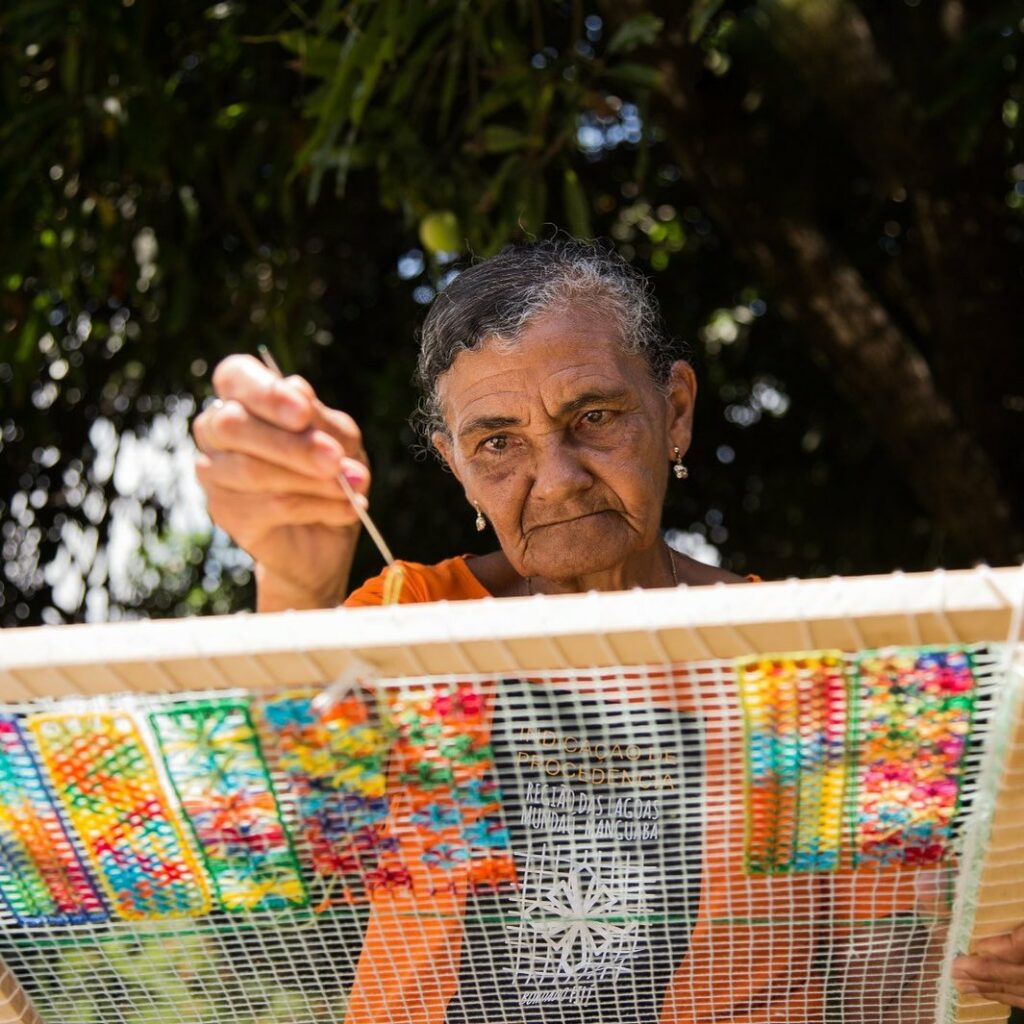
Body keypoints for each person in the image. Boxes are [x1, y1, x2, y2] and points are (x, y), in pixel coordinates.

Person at [192, 239, 1024, 1020]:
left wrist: (983, 963)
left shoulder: (819, 664)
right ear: (456, 468)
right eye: (497, 442)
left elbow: (887, 968)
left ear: (678, 411)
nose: (553, 480)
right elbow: (277, 848)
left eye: (593, 417)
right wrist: (297, 580)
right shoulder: (409, 626)